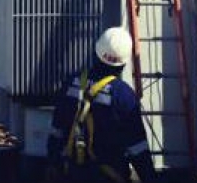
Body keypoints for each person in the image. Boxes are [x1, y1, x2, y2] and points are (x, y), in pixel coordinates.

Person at [46, 27, 157, 183]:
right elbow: (137, 146)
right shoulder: (123, 96)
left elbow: (56, 129)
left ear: (96, 52)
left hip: (71, 173)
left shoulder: (71, 83)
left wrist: (52, 163)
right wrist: (149, 178)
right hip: (109, 175)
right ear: (123, 63)